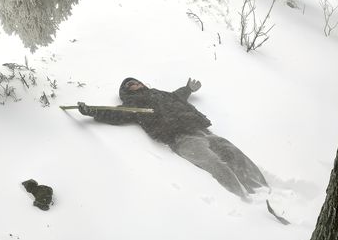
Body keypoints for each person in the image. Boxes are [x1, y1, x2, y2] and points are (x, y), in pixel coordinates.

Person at [78, 77, 267, 198]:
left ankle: (261, 186)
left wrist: (188, 89)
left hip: (200, 129)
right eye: (129, 85)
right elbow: (114, 114)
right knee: (213, 162)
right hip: (180, 138)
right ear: (127, 92)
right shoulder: (133, 103)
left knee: (233, 153)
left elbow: (177, 96)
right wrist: (92, 111)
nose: (134, 84)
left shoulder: (160, 93)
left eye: (135, 81)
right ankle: (243, 195)